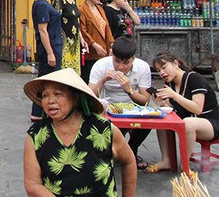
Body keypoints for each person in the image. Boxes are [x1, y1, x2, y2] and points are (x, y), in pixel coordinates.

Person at [23, 68, 137, 197]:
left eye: (58, 94)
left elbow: (128, 161)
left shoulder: (102, 129)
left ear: (75, 98)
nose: (50, 101)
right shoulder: (36, 135)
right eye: (45, 95)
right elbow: (33, 185)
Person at [144, 51, 219, 174]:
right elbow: (173, 109)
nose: (162, 73)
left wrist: (174, 95)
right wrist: (161, 103)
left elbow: (197, 108)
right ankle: (166, 160)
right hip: (188, 121)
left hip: (211, 124)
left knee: (189, 123)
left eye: (164, 67)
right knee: (161, 119)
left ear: (176, 63)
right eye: (158, 70)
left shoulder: (194, 79)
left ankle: (184, 165)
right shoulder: (170, 83)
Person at [89, 37, 153, 169]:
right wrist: (102, 80)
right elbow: (90, 95)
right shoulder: (100, 65)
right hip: (107, 107)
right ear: (112, 54)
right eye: (117, 61)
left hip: (133, 107)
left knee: (150, 119)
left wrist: (129, 90)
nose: (120, 66)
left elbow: (145, 100)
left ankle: (131, 148)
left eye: (126, 63)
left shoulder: (143, 67)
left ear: (133, 59)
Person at [30, 0, 62, 121]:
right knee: (47, 80)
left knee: (46, 78)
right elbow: (43, 30)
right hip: (49, 47)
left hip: (53, 45)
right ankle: (38, 112)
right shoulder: (42, 5)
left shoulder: (43, 3)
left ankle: (39, 111)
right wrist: (50, 53)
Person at [51, 0, 87, 74]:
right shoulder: (58, 0)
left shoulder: (73, 0)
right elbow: (55, 23)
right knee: (64, 71)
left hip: (75, 42)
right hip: (64, 43)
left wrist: (81, 38)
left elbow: (76, 22)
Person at [79, 0, 114, 83]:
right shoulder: (82, 9)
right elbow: (83, 30)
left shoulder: (99, 8)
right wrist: (94, 44)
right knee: (90, 78)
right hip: (91, 51)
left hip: (104, 48)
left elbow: (107, 27)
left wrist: (111, 44)